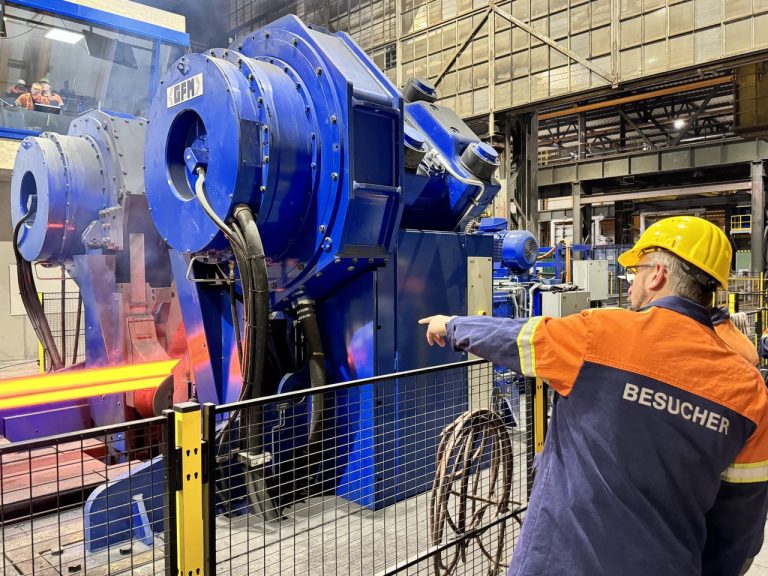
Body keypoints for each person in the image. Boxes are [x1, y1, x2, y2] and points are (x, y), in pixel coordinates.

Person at [419, 215, 768, 576]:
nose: (630, 284)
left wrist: (453, 324)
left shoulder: (602, 334)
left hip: (559, 563)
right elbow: (741, 523)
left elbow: (515, 338)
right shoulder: (748, 389)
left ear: (657, 274)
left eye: (637, 271)